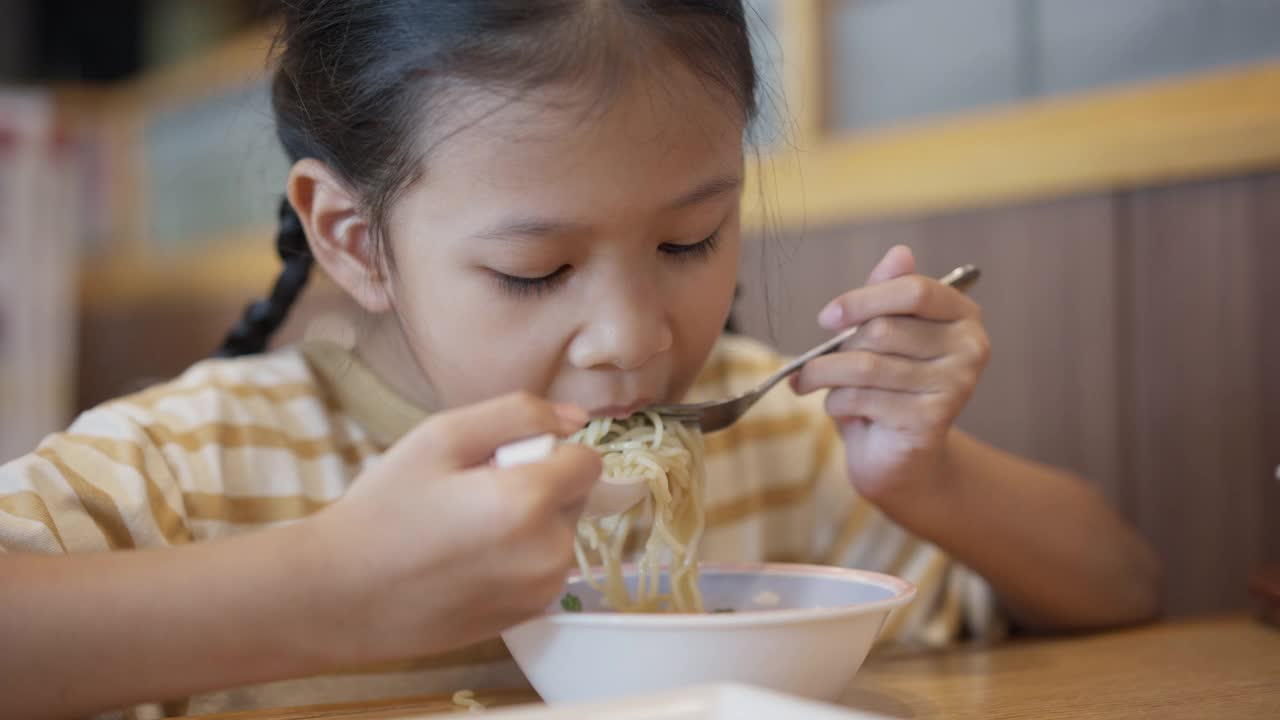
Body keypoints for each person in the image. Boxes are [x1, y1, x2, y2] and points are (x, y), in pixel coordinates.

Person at [0, 2, 1160, 718]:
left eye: (688, 241)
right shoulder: (197, 463)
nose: (636, 340)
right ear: (354, 239)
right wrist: (326, 591)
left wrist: (924, 477)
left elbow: (1120, 589)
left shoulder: (772, 446)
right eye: (536, 270)